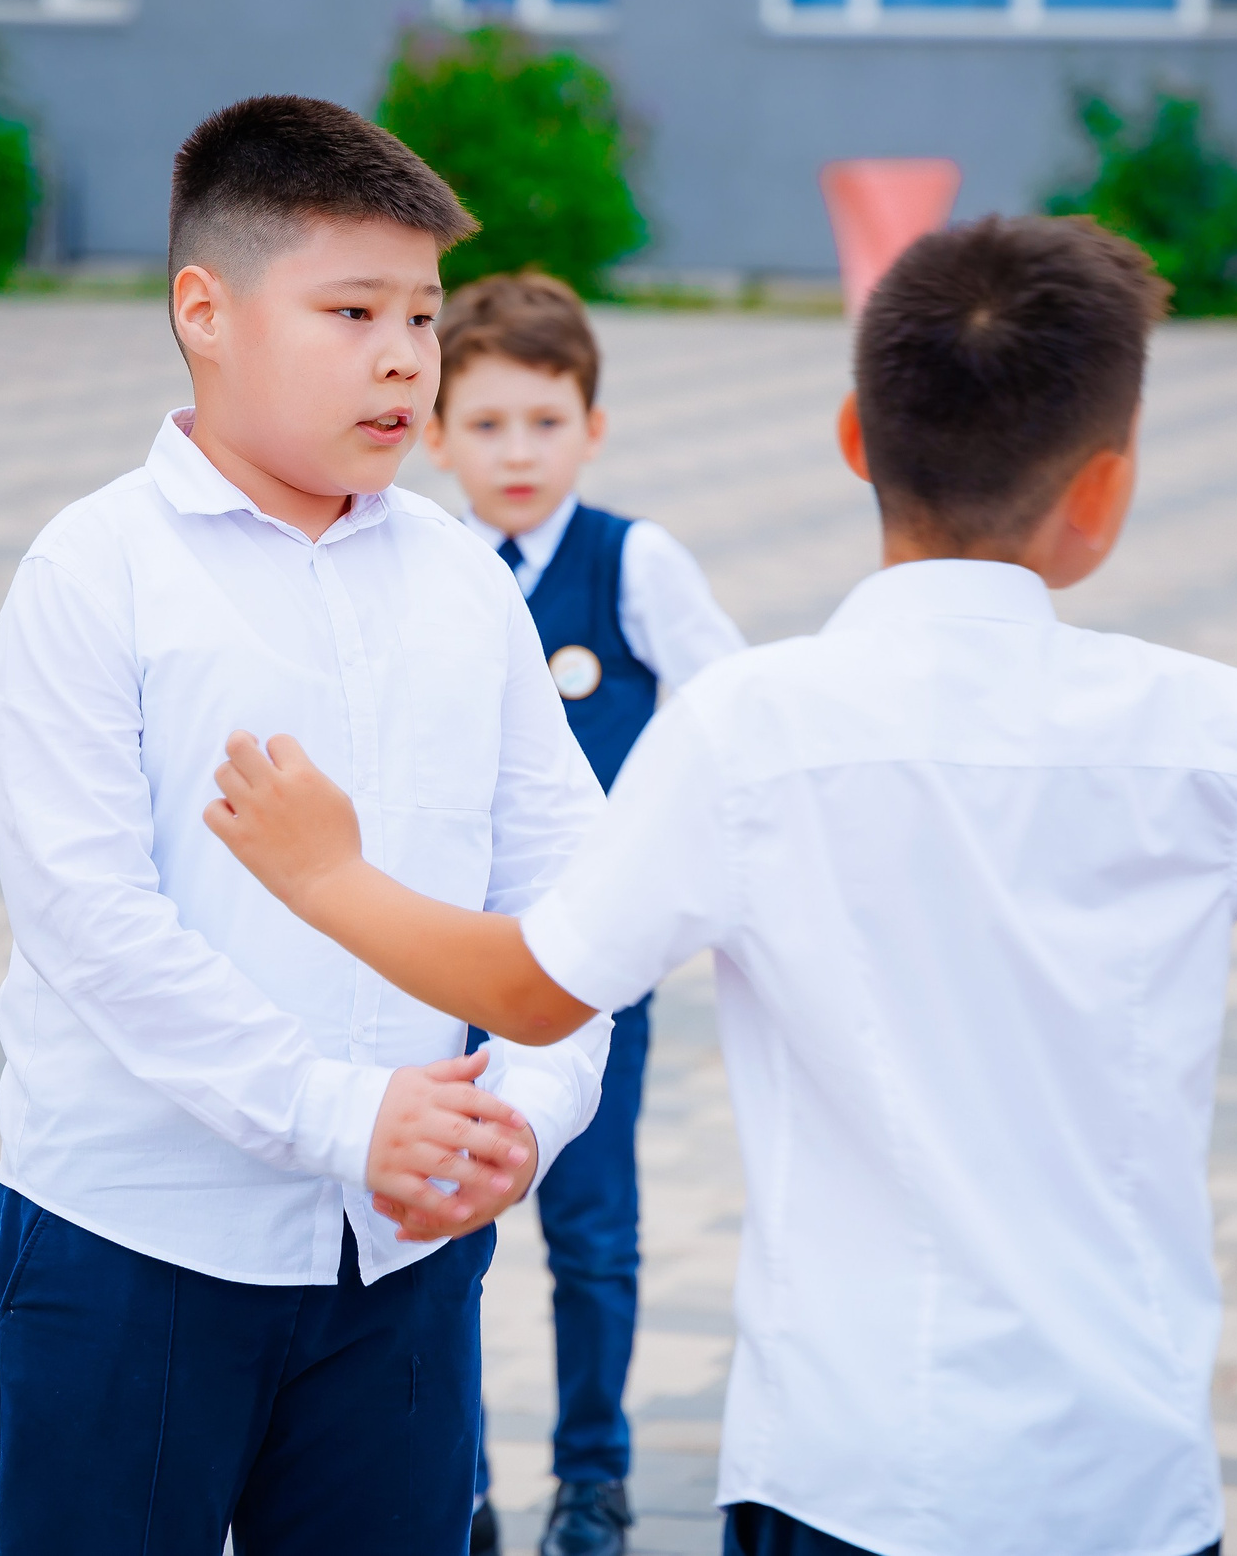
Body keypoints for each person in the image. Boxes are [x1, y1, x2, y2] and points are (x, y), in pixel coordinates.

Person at [198, 214, 1237, 1556]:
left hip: (845, 1459)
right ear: (1106, 489)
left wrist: (327, 874)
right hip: (1121, 1475)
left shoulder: (756, 727)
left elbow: (534, 983)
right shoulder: (1193, 726)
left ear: (857, 438)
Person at [0, 95, 616, 1556]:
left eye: (424, 316)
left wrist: (525, 1109)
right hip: (138, 1244)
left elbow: (575, 884)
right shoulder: (97, 573)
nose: (404, 357)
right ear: (206, 309)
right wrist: (345, 1114)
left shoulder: (462, 579)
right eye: (351, 310)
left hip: (404, 1256)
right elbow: (91, 924)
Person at [424, 273, 747, 1556]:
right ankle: (454, 1483)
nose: (517, 453)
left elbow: (726, 709)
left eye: (545, 423)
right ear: (436, 431)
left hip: (594, 963)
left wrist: (648, 845)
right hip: (442, 954)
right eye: (487, 424)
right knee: (434, 1231)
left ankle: (593, 1481)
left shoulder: (634, 561)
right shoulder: (428, 560)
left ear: (592, 427)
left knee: (591, 1229)